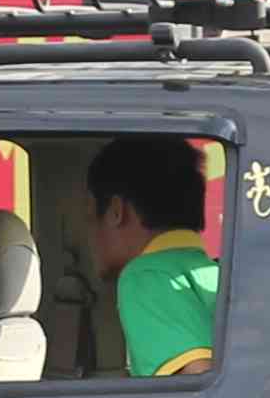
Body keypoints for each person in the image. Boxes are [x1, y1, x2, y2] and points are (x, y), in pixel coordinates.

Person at [88, 136, 221, 379]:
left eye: (91, 217)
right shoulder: (213, 271)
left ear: (116, 211)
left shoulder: (145, 276)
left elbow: (196, 382)